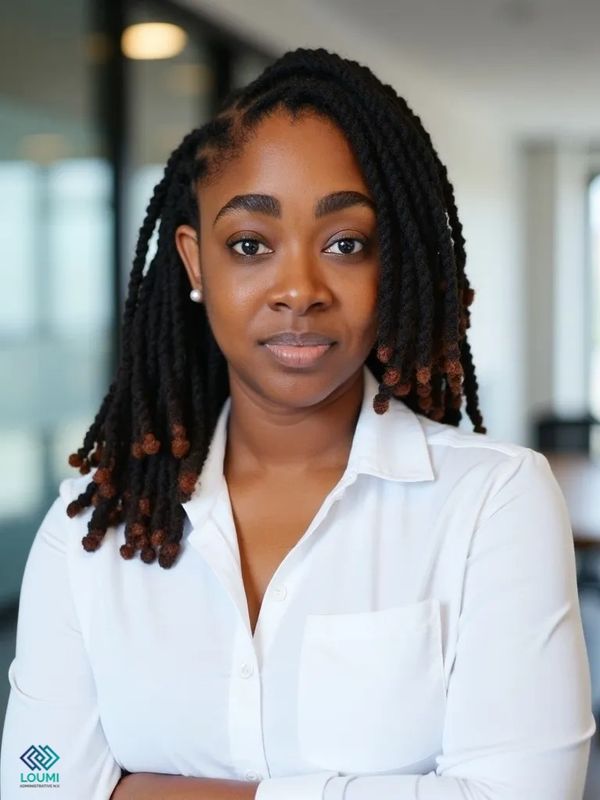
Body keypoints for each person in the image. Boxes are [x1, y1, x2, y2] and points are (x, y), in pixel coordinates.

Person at [0, 46, 595, 800]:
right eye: (250, 245)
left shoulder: (493, 502)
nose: (299, 290)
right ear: (194, 262)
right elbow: (36, 787)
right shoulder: (92, 525)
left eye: (346, 244)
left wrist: (146, 791)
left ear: (395, 264)